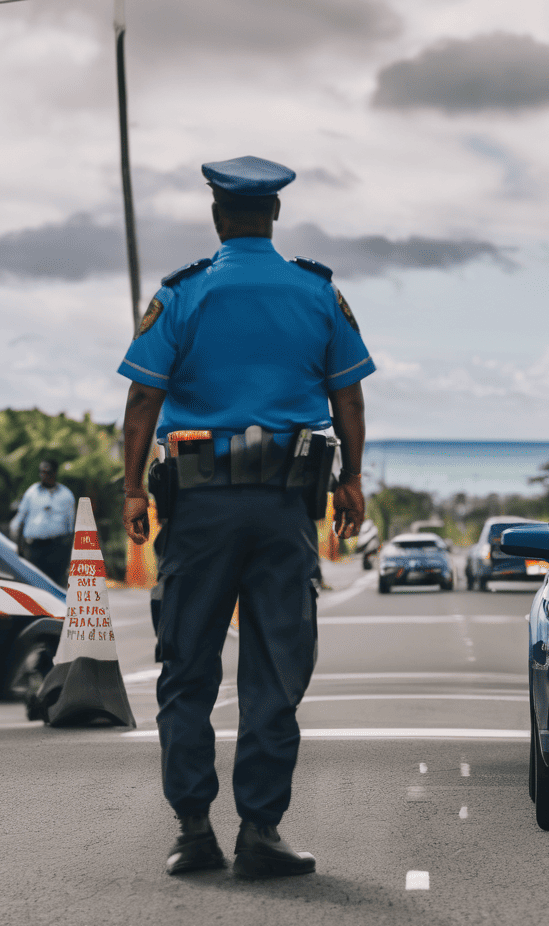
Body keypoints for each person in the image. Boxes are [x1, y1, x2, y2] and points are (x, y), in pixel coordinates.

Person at [118, 155, 374, 879]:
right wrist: (352, 480)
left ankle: (193, 831)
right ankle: (260, 832)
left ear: (216, 216)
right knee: (275, 669)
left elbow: (143, 401)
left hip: (197, 510)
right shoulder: (317, 294)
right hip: (285, 510)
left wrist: (134, 491)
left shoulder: (184, 295)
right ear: (276, 217)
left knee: (187, 666)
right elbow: (348, 397)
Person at [10, 460, 75, 584]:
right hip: (33, 548)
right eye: (42, 472)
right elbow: (19, 519)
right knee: (33, 585)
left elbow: (70, 526)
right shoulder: (32, 492)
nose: (44, 475)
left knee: (55, 585)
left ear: (55, 473)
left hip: (56, 548)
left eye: (48, 472)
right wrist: (17, 546)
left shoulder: (66, 495)